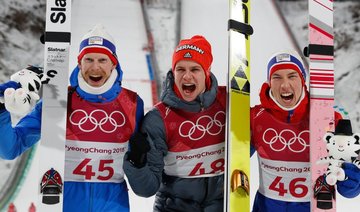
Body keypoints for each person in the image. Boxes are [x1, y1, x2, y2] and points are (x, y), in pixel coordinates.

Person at [0, 24, 144, 212]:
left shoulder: (132, 103)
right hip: (65, 204)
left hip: (112, 205)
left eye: (102, 59)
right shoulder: (58, 101)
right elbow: (10, 149)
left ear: (113, 64)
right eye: (89, 59)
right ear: (79, 63)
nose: (95, 67)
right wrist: (3, 108)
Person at [123, 35, 225, 211]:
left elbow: (249, 146)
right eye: (180, 69)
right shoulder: (159, 118)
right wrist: (137, 163)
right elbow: (146, 189)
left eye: (195, 69)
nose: (187, 76)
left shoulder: (227, 103)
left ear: (206, 72)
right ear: (173, 72)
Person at [250, 50, 360, 211]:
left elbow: (351, 189)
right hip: (267, 207)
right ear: (269, 83)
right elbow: (234, 158)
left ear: (303, 80)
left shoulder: (328, 118)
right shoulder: (255, 118)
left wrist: (345, 175)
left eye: (292, 76)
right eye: (277, 77)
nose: (284, 85)